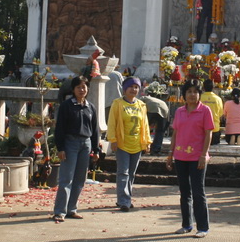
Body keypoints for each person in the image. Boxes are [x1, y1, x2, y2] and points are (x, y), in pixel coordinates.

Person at [167, 80, 214, 237]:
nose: (192, 94)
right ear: (184, 94)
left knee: (198, 192)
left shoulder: (205, 111)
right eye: (189, 91)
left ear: (200, 94)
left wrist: (203, 155)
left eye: (195, 91)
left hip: (197, 157)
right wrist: (170, 154)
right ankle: (187, 224)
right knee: (184, 192)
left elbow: (208, 134)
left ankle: (203, 227)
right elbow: (175, 133)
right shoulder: (179, 111)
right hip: (180, 156)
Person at [52, 75, 100, 223]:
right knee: (66, 178)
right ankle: (60, 211)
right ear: (73, 89)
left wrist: (96, 149)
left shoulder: (90, 107)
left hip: (86, 144)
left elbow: (95, 129)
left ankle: (72, 209)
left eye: (84, 87)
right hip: (70, 143)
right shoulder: (66, 106)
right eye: (78, 87)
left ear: (88, 89)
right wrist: (60, 148)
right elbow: (60, 128)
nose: (81, 90)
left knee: (80, 179)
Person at [107, 76, 151, 211]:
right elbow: (112, 122)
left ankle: (126, 198)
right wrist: (113, 139)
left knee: (131, 173)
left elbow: (145, 124)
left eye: (136, 87)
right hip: (122, 143)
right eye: (131, 86)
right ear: (125, 89)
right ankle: (124, 201)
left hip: (136, 144)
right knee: (123, 173)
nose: (133, 89)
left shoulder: (141, 105)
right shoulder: (117, 103)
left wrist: (147, 141)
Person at [141, 88, 169, 154]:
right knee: (160, 131)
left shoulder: (143, 98)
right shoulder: (161, 101)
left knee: (144, 128)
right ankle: (156, 149)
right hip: (164, 109)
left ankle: (143, 148)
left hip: (151, 108)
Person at [200, 78, 224, 145]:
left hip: (201, 130)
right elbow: (220, 113)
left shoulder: (199, 98)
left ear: (203, 87)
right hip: (214, 129)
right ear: (213, 87)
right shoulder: (218, 99)